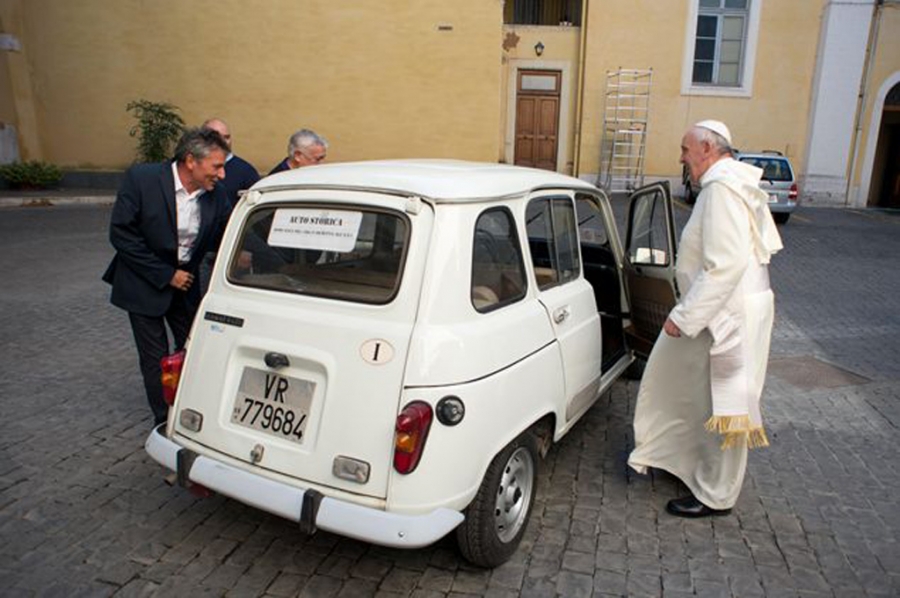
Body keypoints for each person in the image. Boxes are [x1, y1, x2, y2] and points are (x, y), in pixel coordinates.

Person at [627, 120, 784, 518]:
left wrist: (684, 316)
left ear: (708, 148)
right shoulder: (729, 183)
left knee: (726, 405)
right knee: (698, 394)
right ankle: (685, 463)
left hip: (728, 315)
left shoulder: (721, 189)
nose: (681, 158)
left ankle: (717, 495)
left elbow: (724, 265)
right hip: (730, 309)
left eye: (685, 149)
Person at [102, 128, 232, 426]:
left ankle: (194, 407)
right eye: (216, 166)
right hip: (143, 282)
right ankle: (164, 421)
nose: (222, 174)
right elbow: (122, 235)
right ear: (191, 161)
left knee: (194, 347)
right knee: (155, 357)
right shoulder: (142, 179)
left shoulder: (216, 194)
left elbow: (228, 232)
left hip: (185, 285)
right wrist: (166, 274)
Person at [201, 117, 260, 208]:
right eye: (218, 138)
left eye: (227, 137)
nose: (223, 142)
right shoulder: (196, 169)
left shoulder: (246, 172)